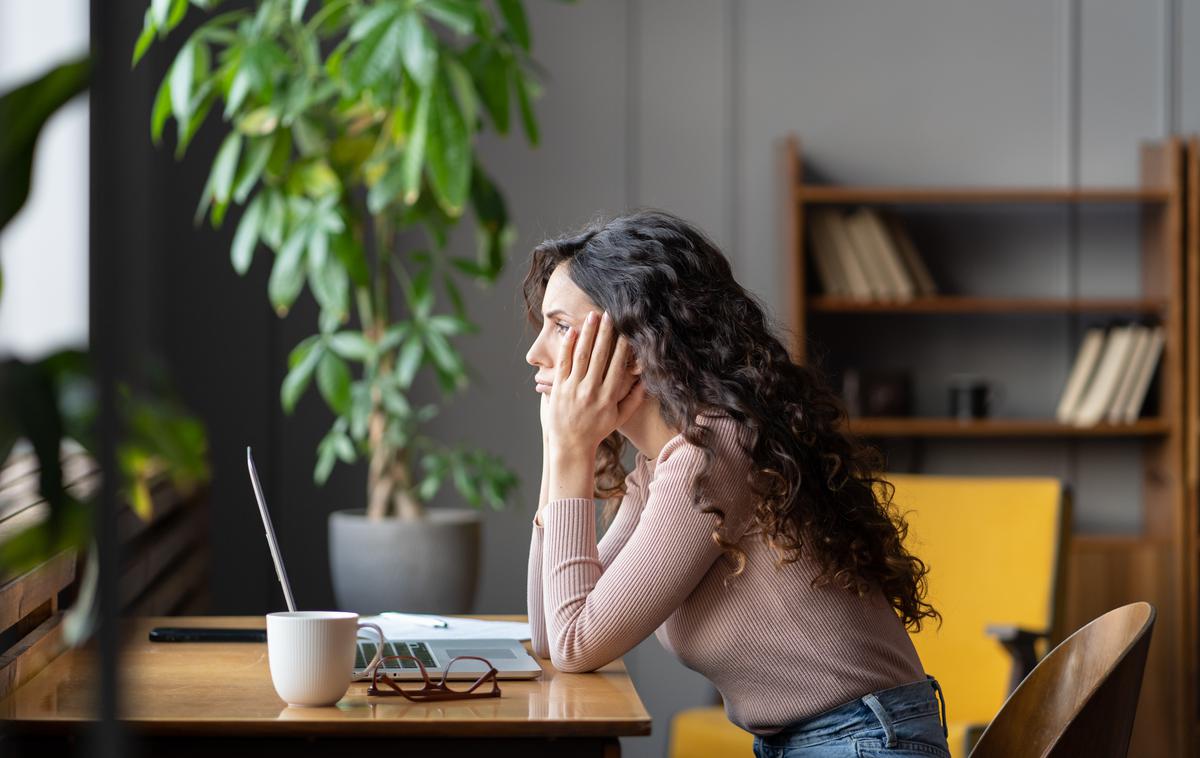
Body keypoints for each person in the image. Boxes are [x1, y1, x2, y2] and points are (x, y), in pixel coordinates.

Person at [522, 210, 950, 758]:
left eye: (559, 326)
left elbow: (577, 642)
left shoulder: (713, 452)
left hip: (863, 742)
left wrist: (570, 449)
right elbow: (553, 633)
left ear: (634, 341)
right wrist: (560, 449)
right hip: (828, 741)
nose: (535, 351)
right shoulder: (662, 466)